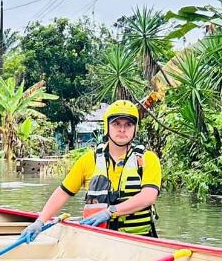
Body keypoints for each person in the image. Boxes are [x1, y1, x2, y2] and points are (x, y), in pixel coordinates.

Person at [21, 100, 162, 242]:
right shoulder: (88, 160)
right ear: (107, 126)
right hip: (98, 239)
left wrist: (109, 212)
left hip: (139, 239)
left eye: (128, 124)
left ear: (135, 128)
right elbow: (63, 192)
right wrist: (40, 222)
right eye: (116, 124)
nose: (122, 129)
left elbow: (148, 197)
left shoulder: (147, 159)